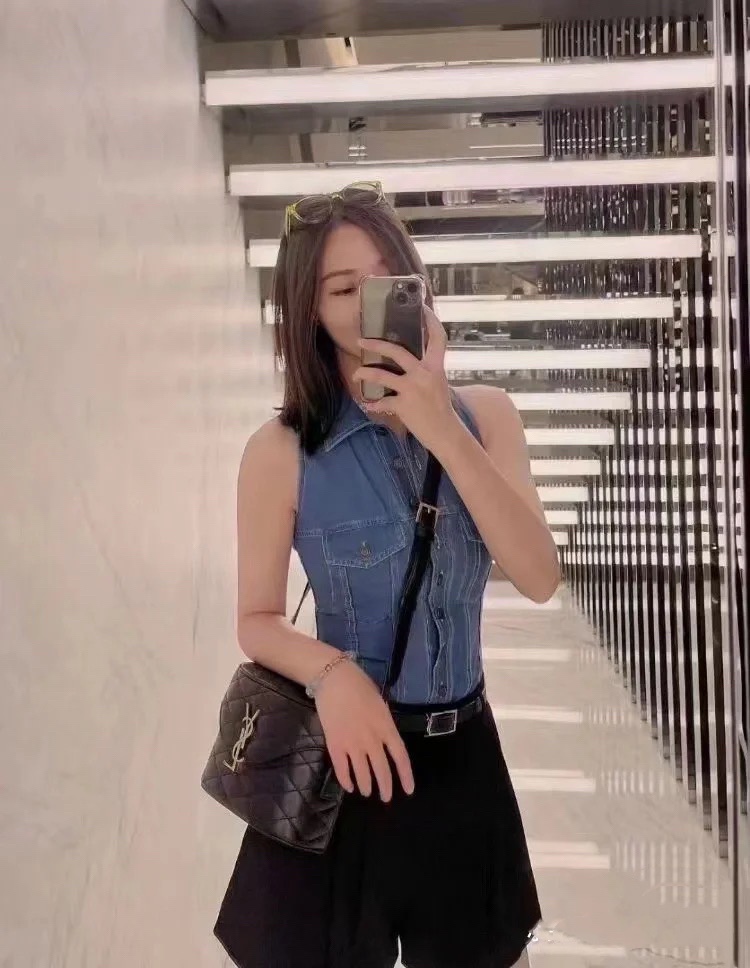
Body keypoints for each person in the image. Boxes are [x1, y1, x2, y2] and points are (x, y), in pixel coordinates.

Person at [214, 181, 561, 968]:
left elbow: (539, 575)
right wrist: (332, 675)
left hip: (463, 756)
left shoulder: (488, 417)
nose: (370, 302)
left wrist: (440, 426)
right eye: (344, 289)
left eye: (387, 278)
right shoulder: (281, 451)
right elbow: (256, 620)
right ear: (310, 310)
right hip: (345, 759)